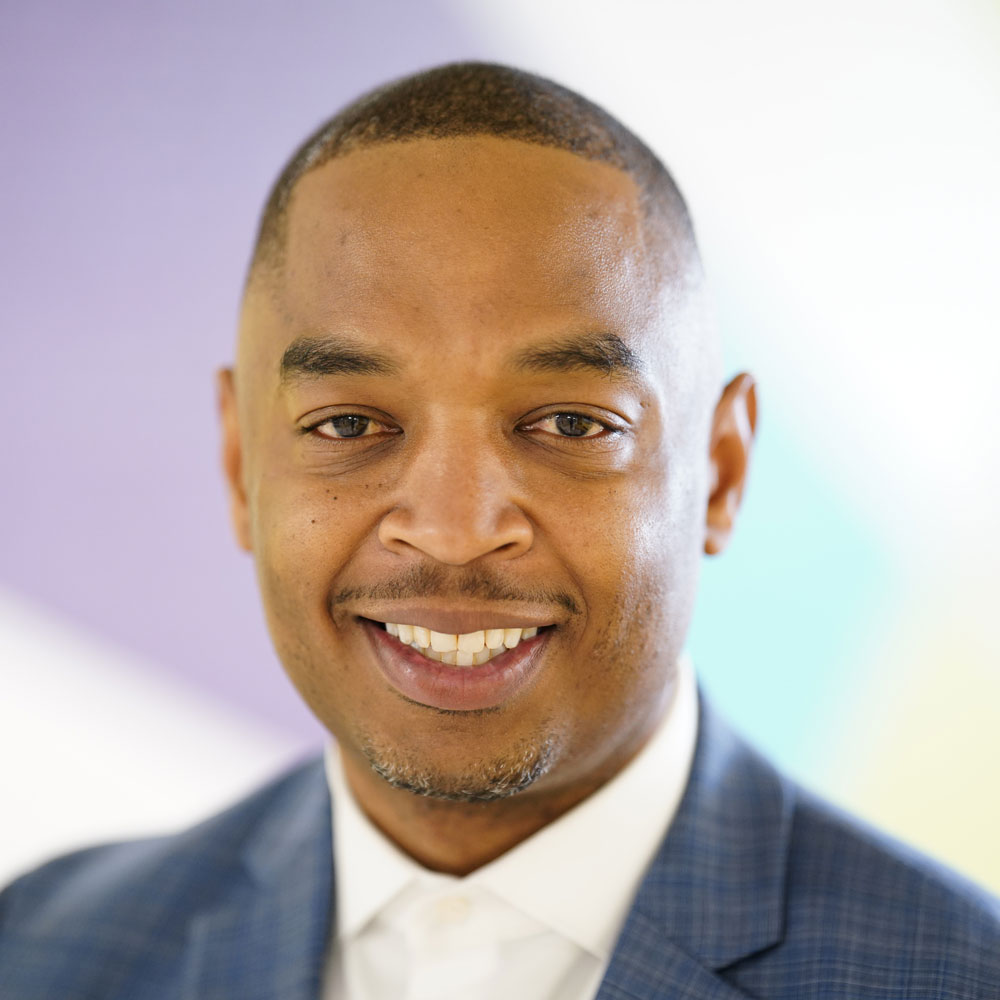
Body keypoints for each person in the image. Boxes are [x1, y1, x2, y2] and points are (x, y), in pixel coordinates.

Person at [0, 61, 997, 1000]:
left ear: (721, 473)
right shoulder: (43, 954)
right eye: (347, 425)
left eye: (572, 424)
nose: (452, 531)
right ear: (238, 464)